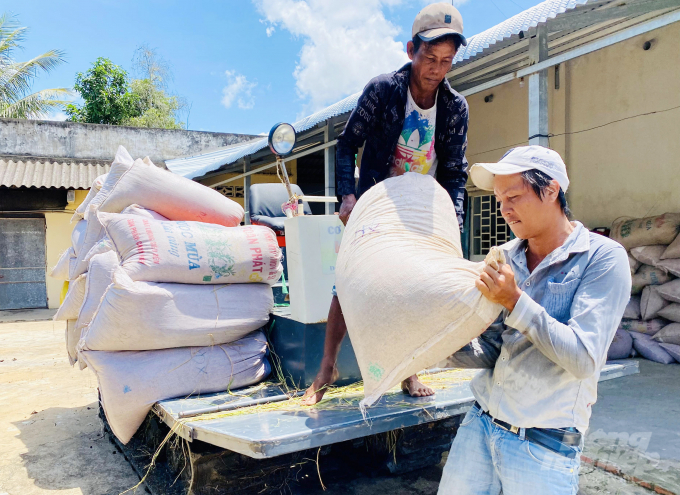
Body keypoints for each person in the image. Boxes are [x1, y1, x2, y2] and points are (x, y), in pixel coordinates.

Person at [302, 2, 470, 405]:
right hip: (376, 203)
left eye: (446, 61)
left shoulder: (455, 109)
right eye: (430, 58)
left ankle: (407, 372)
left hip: (419, 209)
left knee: (411, 287)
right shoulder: (383, 90)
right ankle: (326, 366)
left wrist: (454, 219)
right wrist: (347, 195)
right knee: (348, 280)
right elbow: (347, 146)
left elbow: (454, 172)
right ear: (411, 50)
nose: (436, 69)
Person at [438, 145, 631, 495]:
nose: (503, 209)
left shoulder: (601, 259)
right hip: (480, 426)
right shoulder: (506, 255)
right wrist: (435, 351)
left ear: (552, 189)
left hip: (542, 445)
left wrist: (514, 300)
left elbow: (584, 358)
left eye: (513, 196)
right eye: (499, 199)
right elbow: (495, 348)